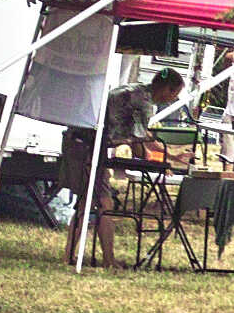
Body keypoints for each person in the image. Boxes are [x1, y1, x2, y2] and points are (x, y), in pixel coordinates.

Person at [64, 68, 181, 269]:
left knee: (86, 202)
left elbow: (139, 137)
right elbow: (139, 142)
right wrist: (166, 157)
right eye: (175, 93)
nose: (174, 99)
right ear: (166, 89)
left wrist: (169, 154)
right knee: (104, 203)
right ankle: (108, 260)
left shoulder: (136, 90)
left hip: (79, 141)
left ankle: (70, 256)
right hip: (87, 146)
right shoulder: (143, 102)